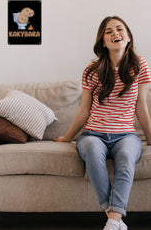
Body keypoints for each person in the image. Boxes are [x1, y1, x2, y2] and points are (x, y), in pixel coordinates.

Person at [54, 16, 151, 230]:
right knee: (92, 152)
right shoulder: (92, 70)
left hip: (126, 136)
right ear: (103, 42)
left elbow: (141, 107)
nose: (115, 33)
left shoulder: (140, 66)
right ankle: (115, 219)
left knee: (126, 157)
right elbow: (84, 110)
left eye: (119, 29)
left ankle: (112, 222)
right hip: (93, 134)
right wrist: (68, 138)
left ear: (128, 37)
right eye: (109, 31)